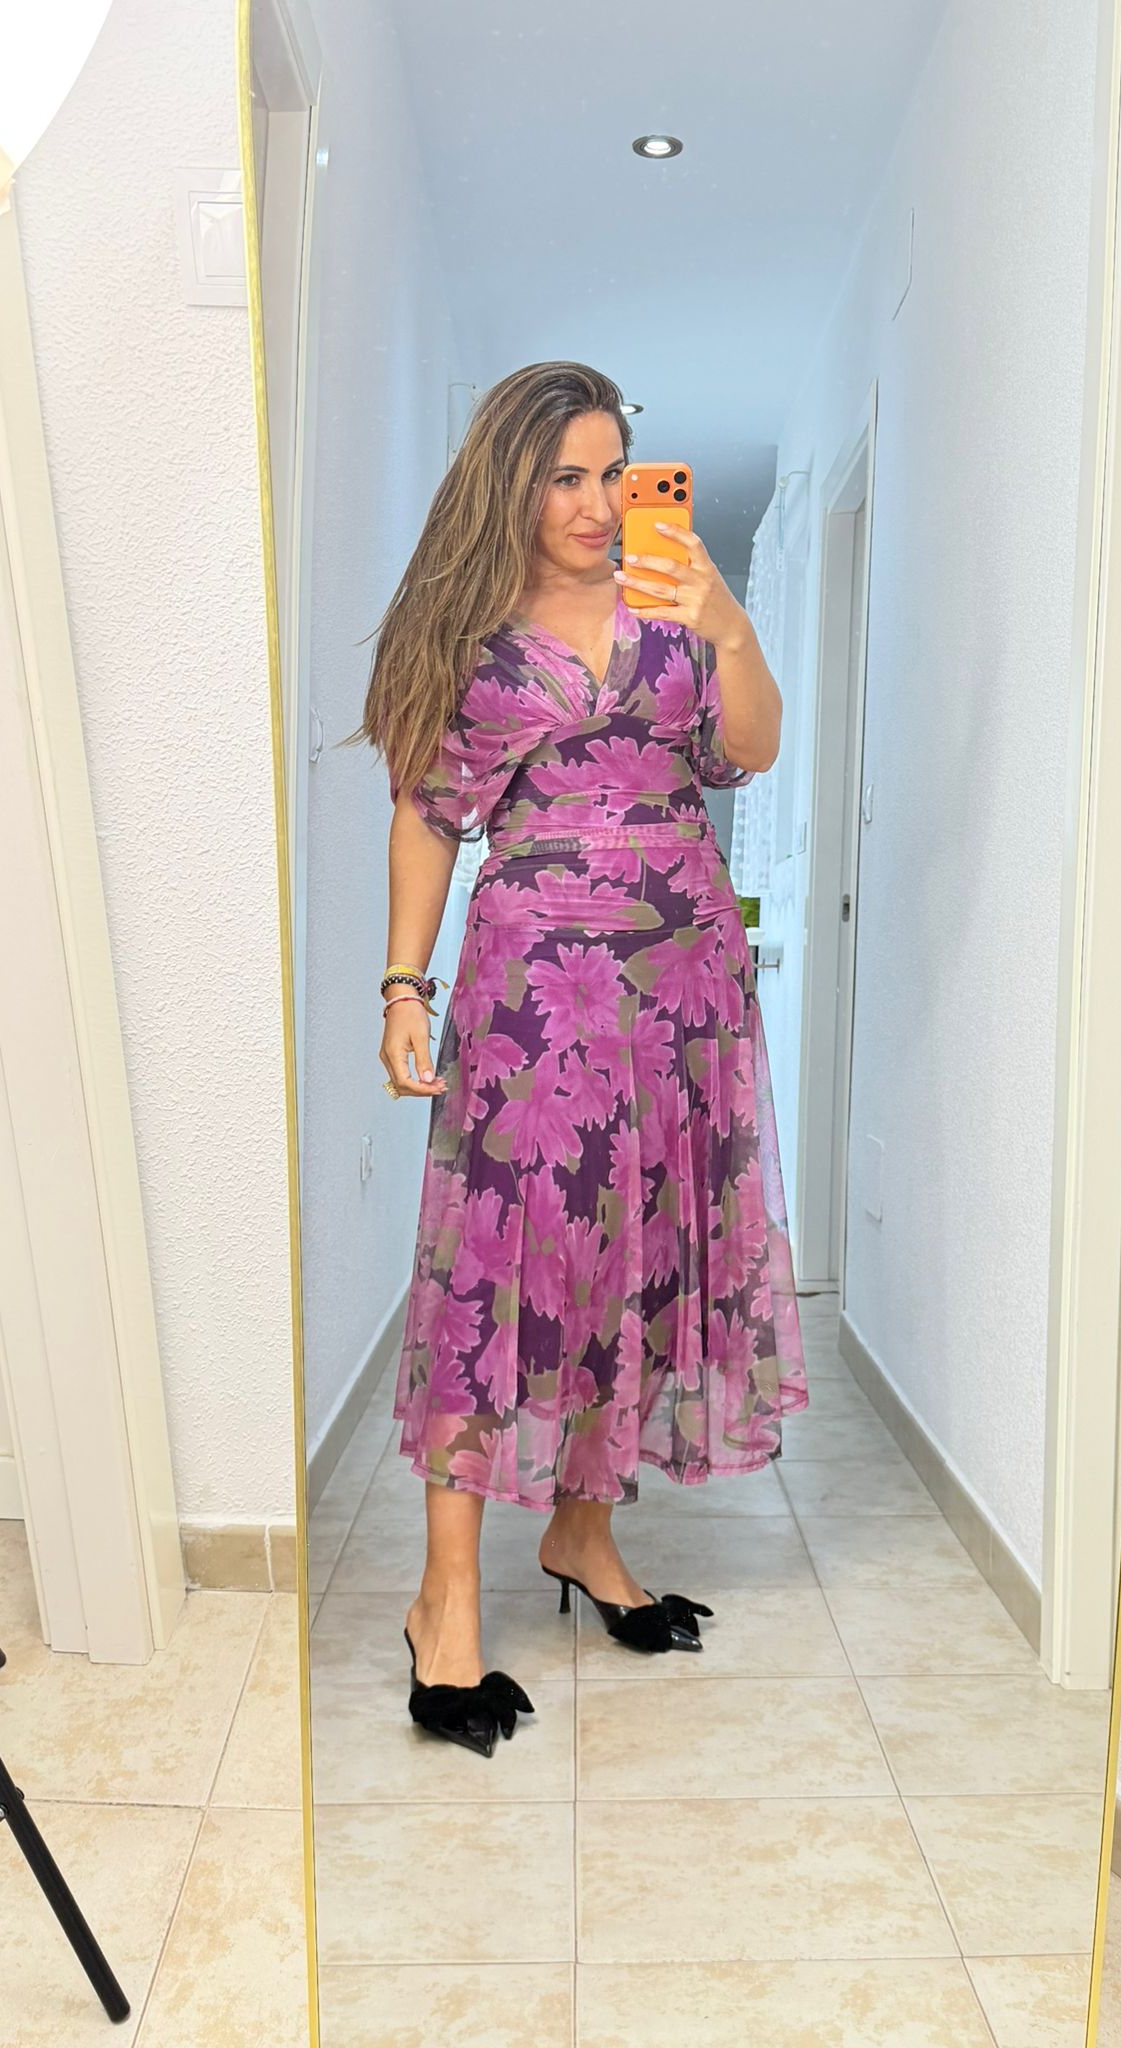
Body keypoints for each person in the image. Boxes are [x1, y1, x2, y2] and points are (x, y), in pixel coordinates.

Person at [356, 361, 809, 1756]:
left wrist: (729, 622)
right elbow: (430, 813)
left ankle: (584, 1534)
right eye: (567, 476)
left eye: (615, 473)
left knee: (642, 1253)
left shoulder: (676, 612)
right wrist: (404, 985)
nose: (599, 503)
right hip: (533, 1003)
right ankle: (445, 1602)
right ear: (512, 485)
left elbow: (752, 749)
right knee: (501, 1269)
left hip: (686, 990)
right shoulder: (471, 640)